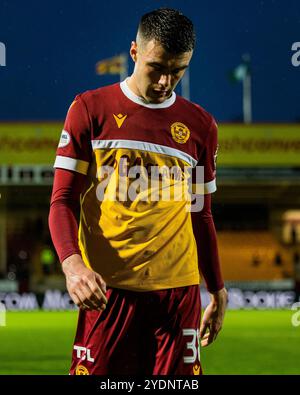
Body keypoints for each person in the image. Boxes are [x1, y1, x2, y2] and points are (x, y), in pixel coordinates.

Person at [49, 7, 227, 375]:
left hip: (178, 295)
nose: (165, 81)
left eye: (178, 71)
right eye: (157, 68)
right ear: (135, 52)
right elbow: (62, 200)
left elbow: (201, 213)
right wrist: (72, 265)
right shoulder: (90, 109)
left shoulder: (200, 126)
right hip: (109, 291)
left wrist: (218, 288)